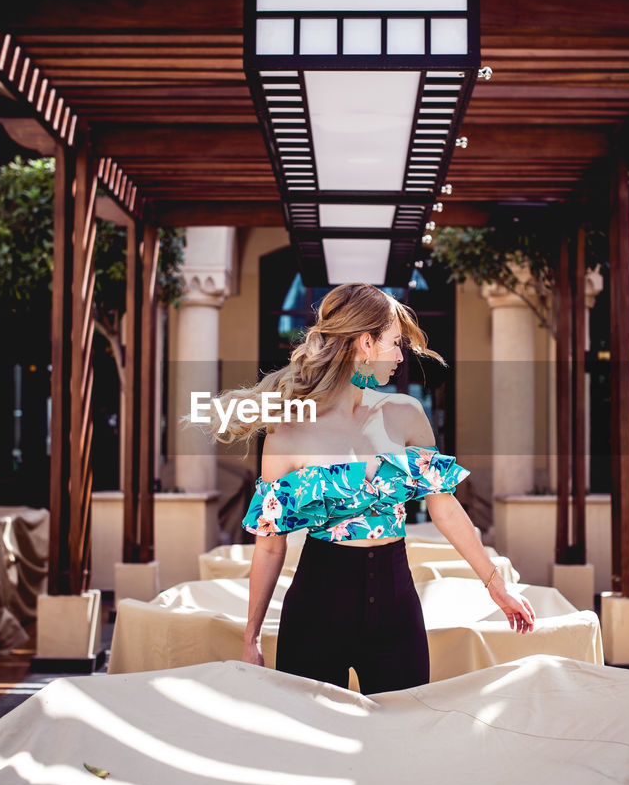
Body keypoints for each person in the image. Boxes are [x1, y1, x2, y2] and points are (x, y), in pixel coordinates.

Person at [199, 282, 535, 695]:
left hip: (397, 612)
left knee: (403, 737)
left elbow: (444, 508)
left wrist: (495, 584)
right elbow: (270, 545)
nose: (399, 356)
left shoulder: (406, 415)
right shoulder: (287, 434)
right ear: (364, 342)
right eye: (394, 344)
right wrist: (250, 637)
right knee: (311, 745)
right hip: (315, 614)